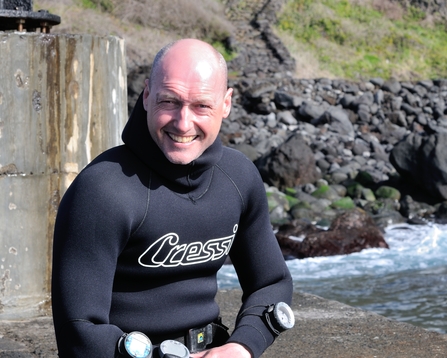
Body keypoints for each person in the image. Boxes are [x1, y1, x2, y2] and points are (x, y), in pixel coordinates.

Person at [51, 38, 293, 358]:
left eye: (201, 106)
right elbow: (79, 330)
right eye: (169, 101)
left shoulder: (239, 178)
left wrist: (242, 346)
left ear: (226, 104)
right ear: (147, 96)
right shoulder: (102, 191)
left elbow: (272, 283)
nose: (183, 122)